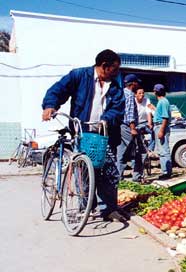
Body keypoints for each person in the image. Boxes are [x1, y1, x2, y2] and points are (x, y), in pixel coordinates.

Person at [41, 49, 127, 222]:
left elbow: (118, 109)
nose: (117, 72)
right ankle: (87, 206)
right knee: (83, 171)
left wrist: (105, 120)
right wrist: (50, 105)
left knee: (108, 172)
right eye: (115, 69)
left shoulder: (116, 86)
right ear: (104, 66)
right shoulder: (79, 76)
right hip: (81, 133)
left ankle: (109, 209)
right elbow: (58, 90)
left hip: (104, 135)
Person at [116, 74, 142, 182]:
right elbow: (129, 113)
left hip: (120, 126)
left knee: (121, 152)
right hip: (127, 126)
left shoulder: (121, 93)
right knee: (139, 152)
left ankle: (118, 177)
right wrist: (133, 128)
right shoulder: (130, 95)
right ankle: (137, 177)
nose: (138, 84)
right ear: (132, 84)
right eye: (137, 82)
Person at [153, 84, 172, 179]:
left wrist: (161, 130)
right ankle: (165, 171)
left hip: (161, 126)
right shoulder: (162, 102)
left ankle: (166, 172)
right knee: (161, 150)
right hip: (159, 126)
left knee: (164, 150)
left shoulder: (163, 102)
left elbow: (165, 117)